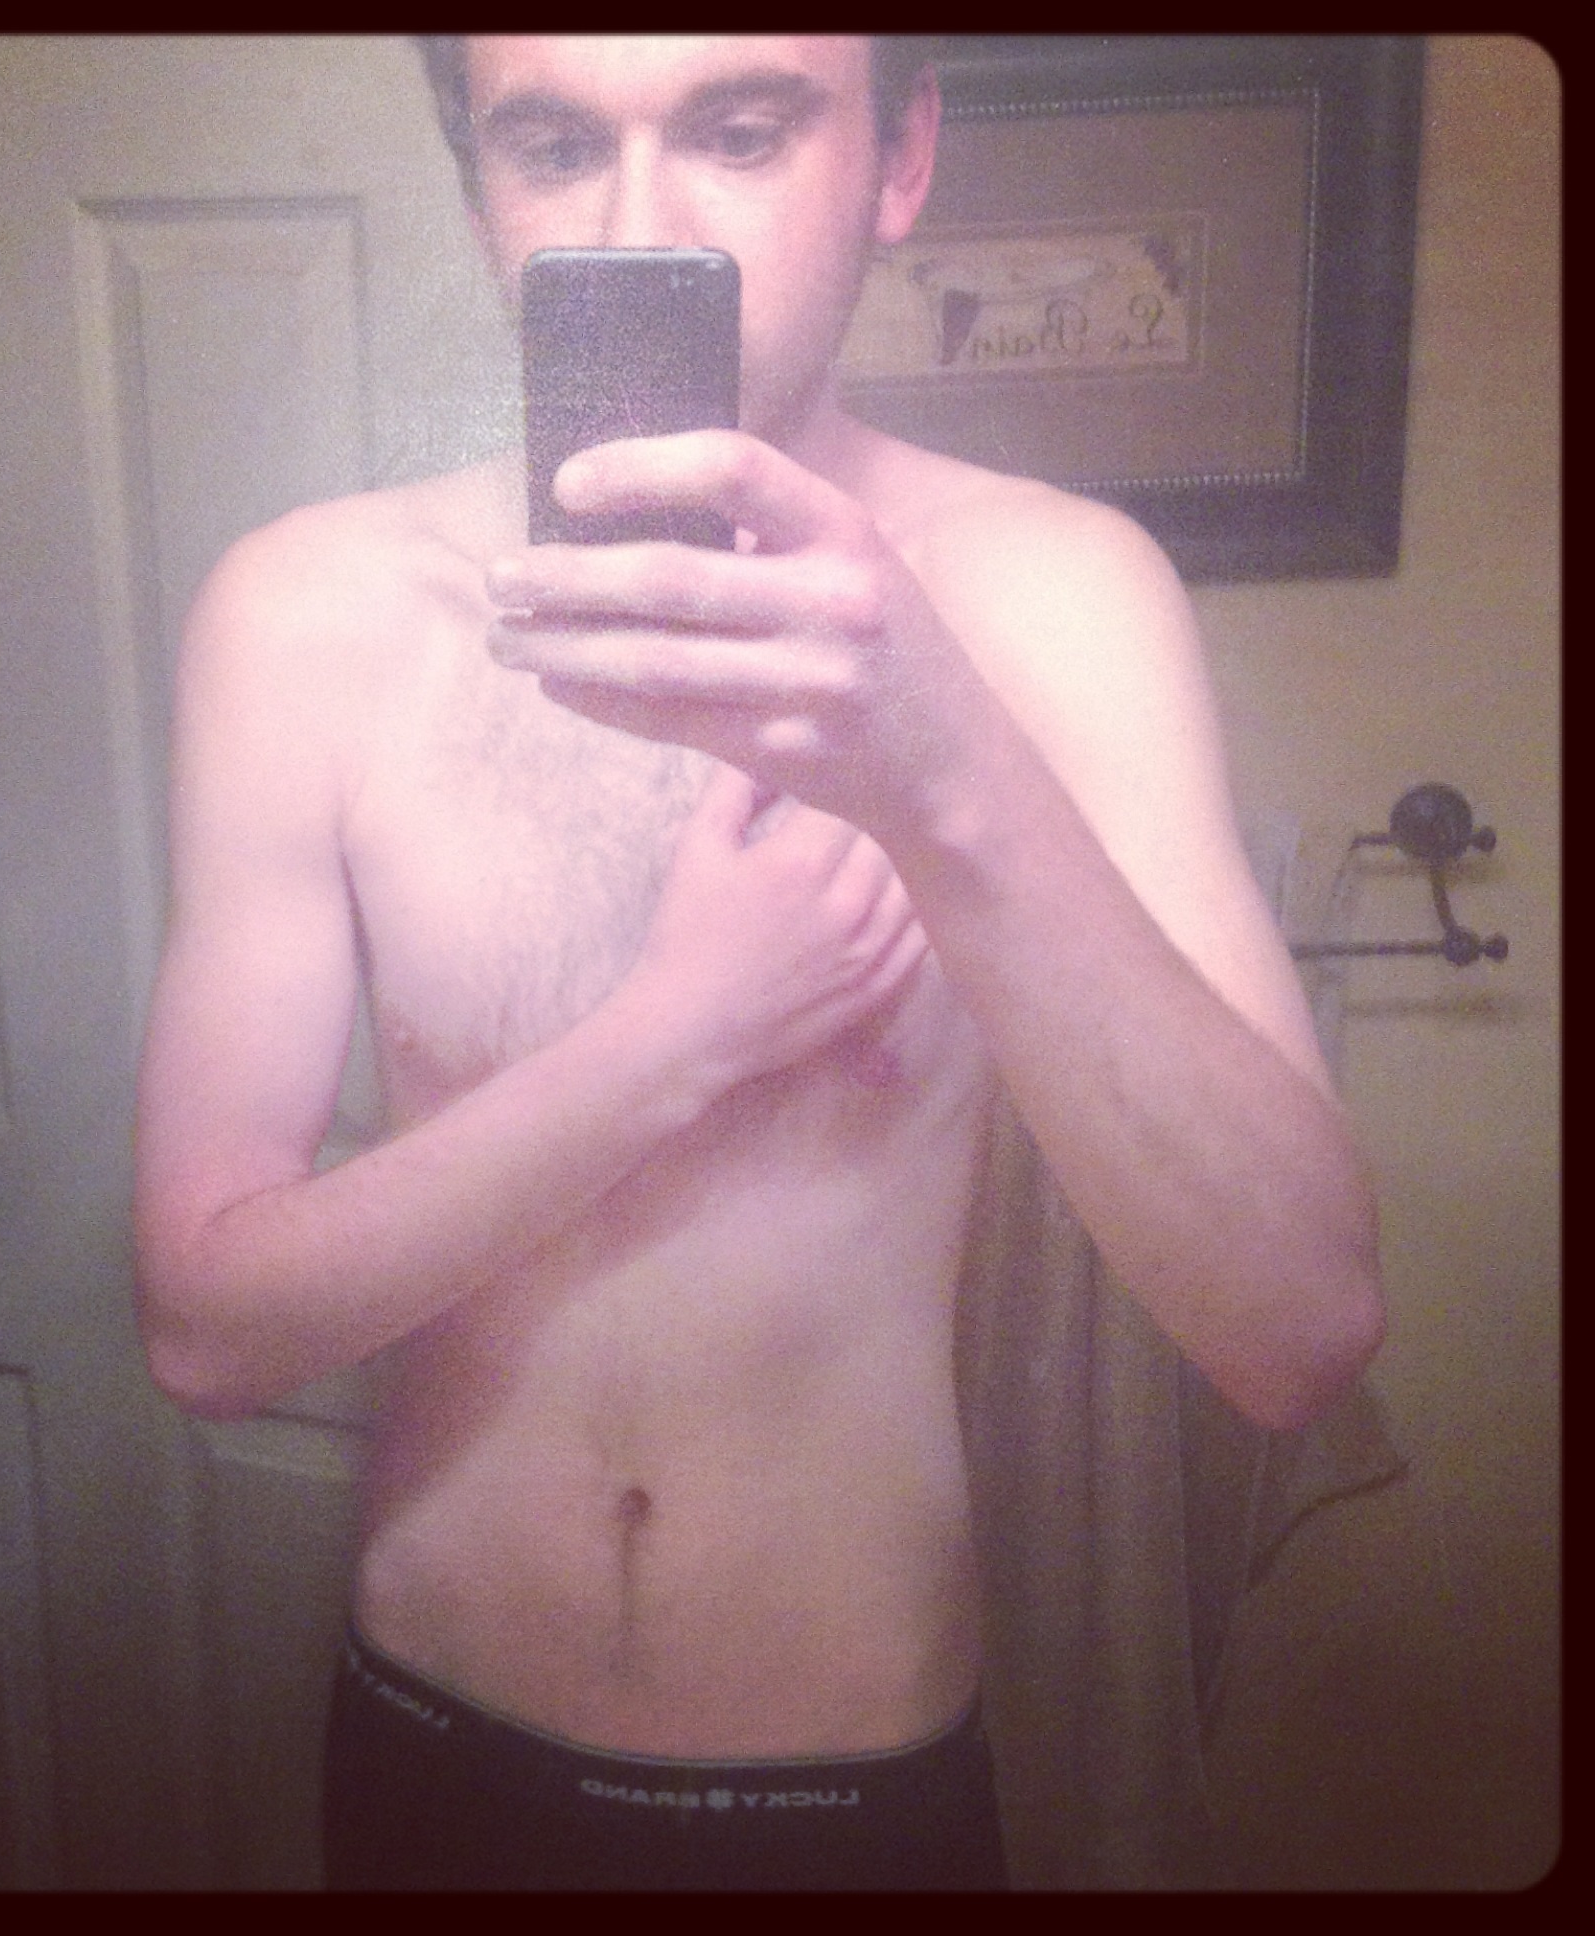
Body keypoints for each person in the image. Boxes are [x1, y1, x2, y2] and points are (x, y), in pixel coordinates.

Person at [131, 35, 1383, 1891]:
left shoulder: (1058, 599)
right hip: (431, 1740)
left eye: (739, 130)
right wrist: (674, 1042)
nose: (643, 223)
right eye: (555, 145)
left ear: (898, 158)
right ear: (478, 188)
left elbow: (1294, 1333)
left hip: (847, 1792)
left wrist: (943, 762)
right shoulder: (306, 615)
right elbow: (206, 1329)